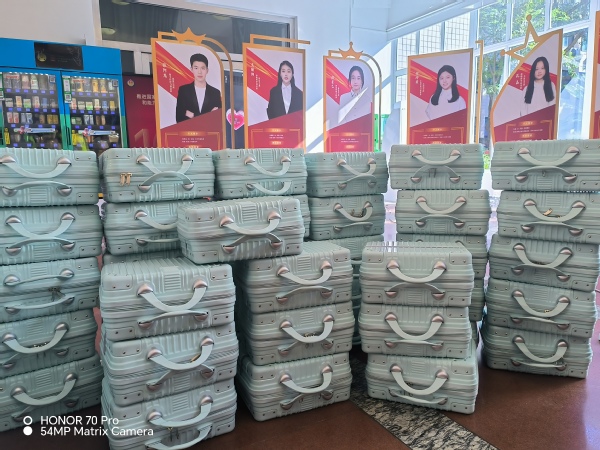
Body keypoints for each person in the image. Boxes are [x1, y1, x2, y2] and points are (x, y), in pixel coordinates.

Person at [175, 53, 222, 123]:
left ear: (207, 70)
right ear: (191, 69)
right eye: (196, 68)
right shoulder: (184, 90)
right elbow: (179, 118)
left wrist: (193, 115)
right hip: (189, 129)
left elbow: (218, 120)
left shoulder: (215, 93)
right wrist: (209, 114)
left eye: (203, 68)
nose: (199, 72)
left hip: (208, 130)